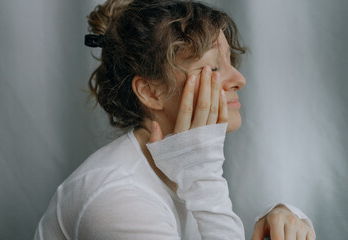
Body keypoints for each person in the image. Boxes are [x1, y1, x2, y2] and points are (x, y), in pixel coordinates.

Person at [34, 0, 316, 239]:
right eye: (214, 67)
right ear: (151, 92)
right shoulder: (117, 200)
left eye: (231, 62)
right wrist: (205, 181)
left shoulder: (182, 169)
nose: (239, 79)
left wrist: (285, 219)